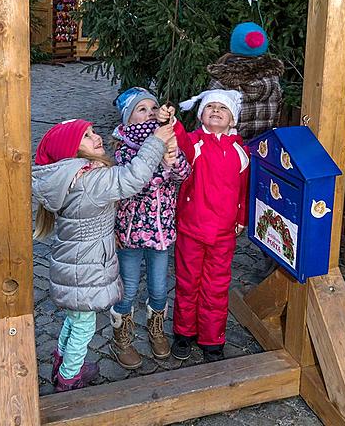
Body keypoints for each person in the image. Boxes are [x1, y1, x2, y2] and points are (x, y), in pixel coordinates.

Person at [32, 117, 174, 392]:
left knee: (74, 319)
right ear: (72, 151)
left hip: (72, 265)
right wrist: (156, 140)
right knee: (84, 326)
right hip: (86, 268)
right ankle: (70, 378)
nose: (96, 137)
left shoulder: (68, 177)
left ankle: (62, 360)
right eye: (86, 136)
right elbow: (133, 176)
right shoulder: (91, 181)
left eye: (93, 131)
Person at [158, 89, 250, 363]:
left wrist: (241, 218)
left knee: (216, 286)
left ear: (232, 119)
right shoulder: (195, 142)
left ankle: (212, 338)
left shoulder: (240, 152)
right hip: (192, 229)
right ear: (201, 115)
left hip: (223, 233)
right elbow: (181, 142)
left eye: (223, 108)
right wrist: (171, 122)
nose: (216, 111)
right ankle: (184, 334)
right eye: (210, 107)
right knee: (188, 283)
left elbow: (243, 191)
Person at [109, 87, 191, 369]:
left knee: (159, 287)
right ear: (127, 119)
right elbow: (137, 181)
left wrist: (172, 154)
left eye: (153, 108)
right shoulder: (124, 148)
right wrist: (158, 152)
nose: (150, 113)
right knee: (128, 287)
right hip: (130, 231)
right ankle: (121, 336)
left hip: (161, 229)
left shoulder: (168, 139)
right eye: (141, 109)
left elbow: (183, 174)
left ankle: (156, 329)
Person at [207, 21, 284, 142]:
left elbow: (208, 123)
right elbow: (276, 118)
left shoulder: (222, 81)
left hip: (229, 153)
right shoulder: (273, 80)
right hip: (262, 150)